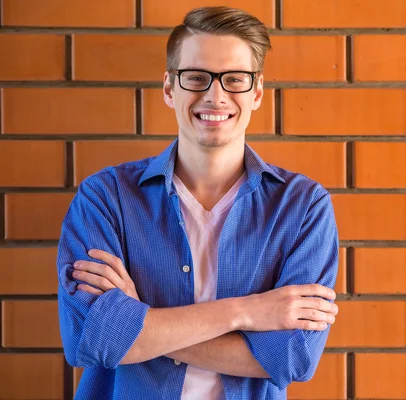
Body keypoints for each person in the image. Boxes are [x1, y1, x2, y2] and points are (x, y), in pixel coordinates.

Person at [56, 6, 339, 400]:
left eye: (235, 79)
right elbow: (94, 340)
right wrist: (247, 312)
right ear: (170, 88)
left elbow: (292, 359)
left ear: (256, 92)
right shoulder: (106, 198)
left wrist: (141, 322)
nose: (216, 95)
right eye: (197, 77)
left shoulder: (303, 207)